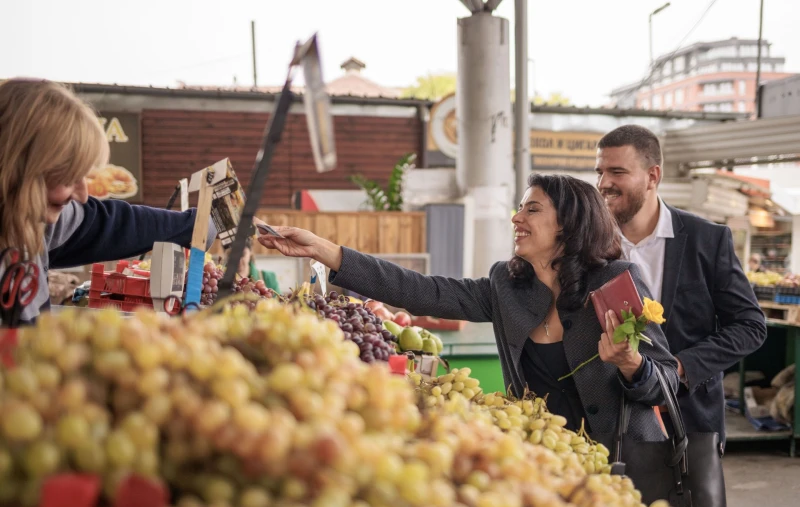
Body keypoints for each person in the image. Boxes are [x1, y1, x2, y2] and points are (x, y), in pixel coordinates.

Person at [257, 173, 680, 444]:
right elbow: (420, 290)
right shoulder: (506, 287)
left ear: (570, 224)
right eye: (519, 207)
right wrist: (328, 251)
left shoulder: (614, 283)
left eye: (532, 209)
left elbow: (665, 384)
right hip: (545, 462)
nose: (517, 218)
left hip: (624, 465)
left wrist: (631, 364)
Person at [595, 125, 767, 453]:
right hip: (611, 423)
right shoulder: (589, 245)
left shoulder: (708, 239)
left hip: (690, 420)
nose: (604, 183)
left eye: (617, 171)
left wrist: (680, 367)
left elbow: (749, 326)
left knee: (691, 506)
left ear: (652, 175)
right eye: (600, 172)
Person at [0, 78, 216, 326]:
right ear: (20, 169)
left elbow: (112, 224)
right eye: (69, 176)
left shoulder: (39, 220)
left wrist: (194, 225)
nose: (81, 194)